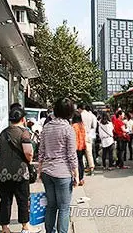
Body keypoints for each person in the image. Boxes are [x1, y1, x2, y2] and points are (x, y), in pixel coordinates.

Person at [38, 98, 79, 233]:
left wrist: (40, 170)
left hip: (46, 172)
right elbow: (72, 155)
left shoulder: (47, 127)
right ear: (70, 112)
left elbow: (41, 151)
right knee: (64, 208)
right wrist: (76, 174)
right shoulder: (68, 129)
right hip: (62, 173)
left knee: (51, 206)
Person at [0, 107, 33, 233]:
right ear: (22, 119)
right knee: (23, 199)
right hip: (20, 172)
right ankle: (25, 226)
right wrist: (30, 161)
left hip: (2, 173)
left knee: (5, 200)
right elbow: (28, 152)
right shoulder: (24, 133)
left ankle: (5, 228)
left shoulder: (3, 133)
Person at [77, 103, 97, 176]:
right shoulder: (91, 115)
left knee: (80, 153)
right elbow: (94, 126)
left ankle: (81, 169)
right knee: (89, 153)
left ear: (80, 109)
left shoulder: (80, 115)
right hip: (88, 135)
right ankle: (92, 169)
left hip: (81, 135)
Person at [72, 111, 87, 186]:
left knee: (76, 163)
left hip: (76, 146)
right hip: (82, 146)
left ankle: (77, 178)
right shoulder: (82, 125)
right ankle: (81, 178)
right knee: (81, 162)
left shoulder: (74, 126)